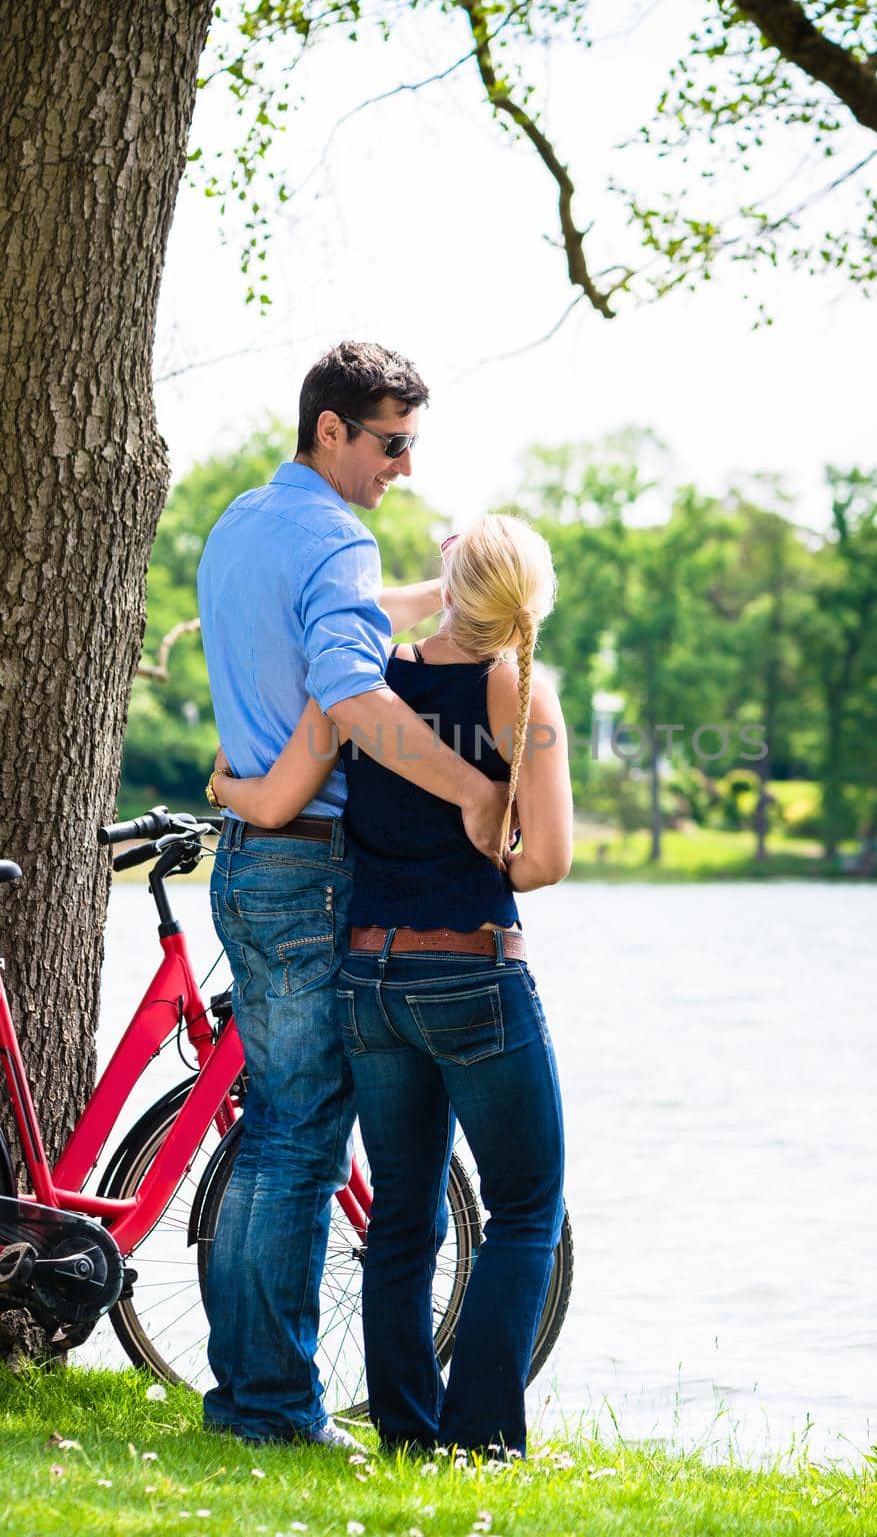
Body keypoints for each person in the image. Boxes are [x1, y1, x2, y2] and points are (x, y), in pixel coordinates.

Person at [196, 340, 508, 1448]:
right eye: (390, 443)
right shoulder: (336, 536)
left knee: (276, 1128)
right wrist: (476, 788)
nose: (403, 467)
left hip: (249, 849)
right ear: (331, 429)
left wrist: (469, 586)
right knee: (299, 1139)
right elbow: (351, 688)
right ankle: (271, 1409)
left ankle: (246, 1398)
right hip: (316, 859)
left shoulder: (244, 521)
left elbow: (350, 613)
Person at [212, 512, 572, 1457]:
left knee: (403, 1219)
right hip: (473, 978)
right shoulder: (521, 693)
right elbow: (547, 866)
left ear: (451, 580)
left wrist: (223, 793)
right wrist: (495, 844)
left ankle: (410, 1438)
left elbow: (278, 798)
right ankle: (482, 1441)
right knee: (526, 1207)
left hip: (368, 976)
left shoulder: (366, 675)